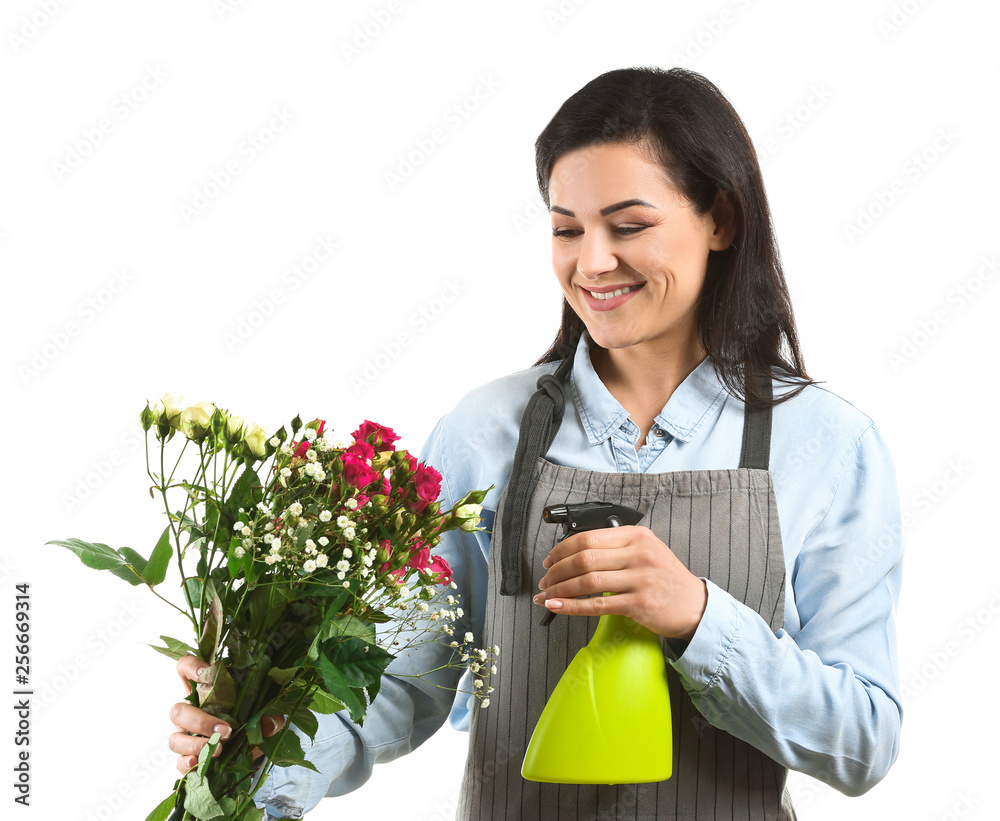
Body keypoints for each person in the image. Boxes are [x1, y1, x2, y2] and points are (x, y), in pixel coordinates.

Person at [169, 66, 903, 820]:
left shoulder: (828, 445)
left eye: (629, 225)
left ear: (720, 219)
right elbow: (398, 684)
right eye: (566, 228)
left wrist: (698, 616)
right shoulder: (486, 431)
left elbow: (864, 740)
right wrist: (256, 754)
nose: (591, 262)